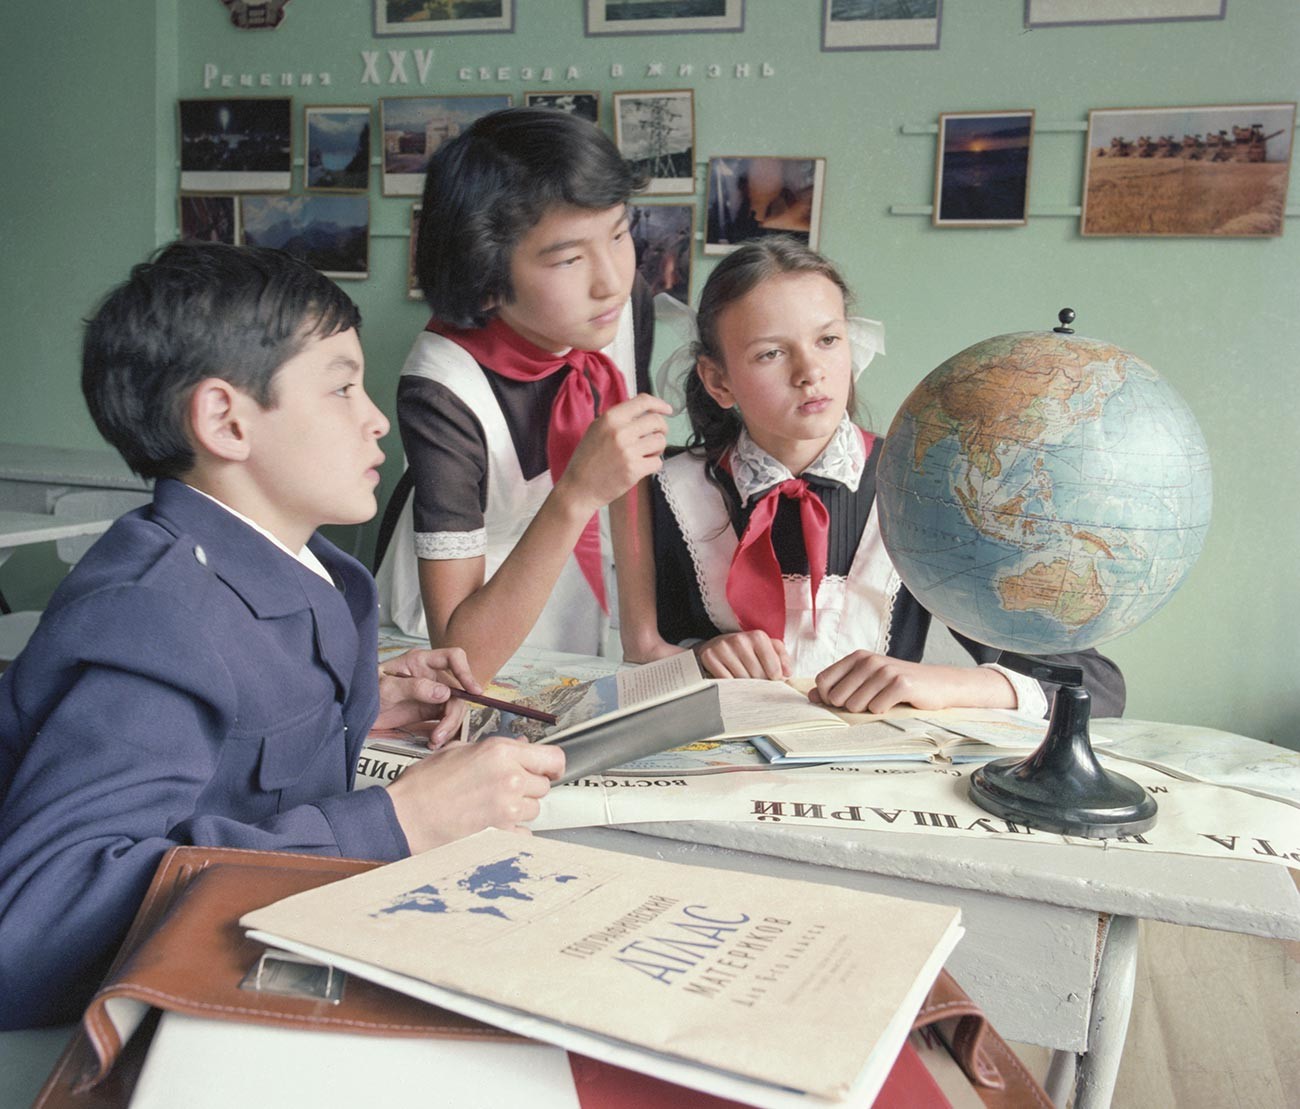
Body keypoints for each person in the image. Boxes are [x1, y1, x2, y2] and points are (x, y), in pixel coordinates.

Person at [0, 242, 565, 1030]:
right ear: (227, 420)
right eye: (341, 388)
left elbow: (226, 744)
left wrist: (351, 711)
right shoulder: (157, 616)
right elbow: (30, 930)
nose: (375, 420)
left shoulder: (302, 566)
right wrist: (398, 823)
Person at [641, 237, 1125, 717]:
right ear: (717, 381)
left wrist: (941, 681)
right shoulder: (669, 490)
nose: (811, 372)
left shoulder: (928, 483)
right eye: (771, 353)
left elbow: (1095, 687)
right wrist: (698, 659)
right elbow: (639, 663)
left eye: (827, 340)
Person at [378, 107, 672, 679]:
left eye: (619, 233)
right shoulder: (440, 387)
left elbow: (628, 471)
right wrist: (576, 494)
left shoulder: (611, 304)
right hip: (455, 614)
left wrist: (643, 637)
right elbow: (460, 654)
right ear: (486, 279)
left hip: (574, 586)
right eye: (568, 259)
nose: (610, 278)